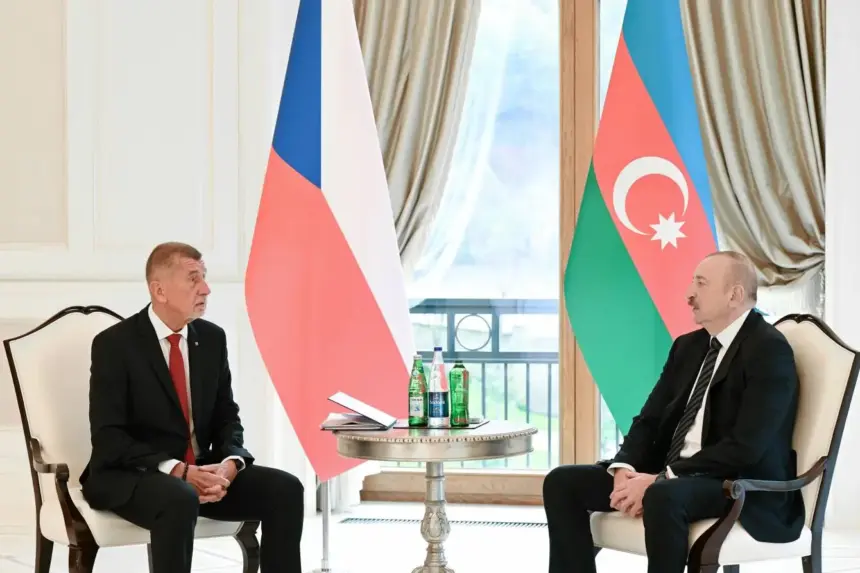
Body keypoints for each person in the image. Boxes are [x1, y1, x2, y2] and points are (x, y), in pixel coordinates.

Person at [542, 250, 804, 573]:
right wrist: (624, 467)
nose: (689, 294)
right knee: (562, 483)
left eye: (701, 284)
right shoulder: (688, 346)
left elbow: (745, 448)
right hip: (671, 475)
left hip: (736, 483)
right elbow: (649, 419)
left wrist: (661, 478)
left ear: (734, 295)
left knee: (662, 496)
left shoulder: (768, 349)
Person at [80, 242, 304, 573]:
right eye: (193, 278)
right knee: (179, 496)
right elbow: (109, 437)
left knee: (286, 489)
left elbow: (227, 415)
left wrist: (230, 463)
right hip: (134, 476)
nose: (206, 288)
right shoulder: (114, 345)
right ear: (159, 290)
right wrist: (178, 471)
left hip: (200, 470)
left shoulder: (212, 339)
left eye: (205, 276)